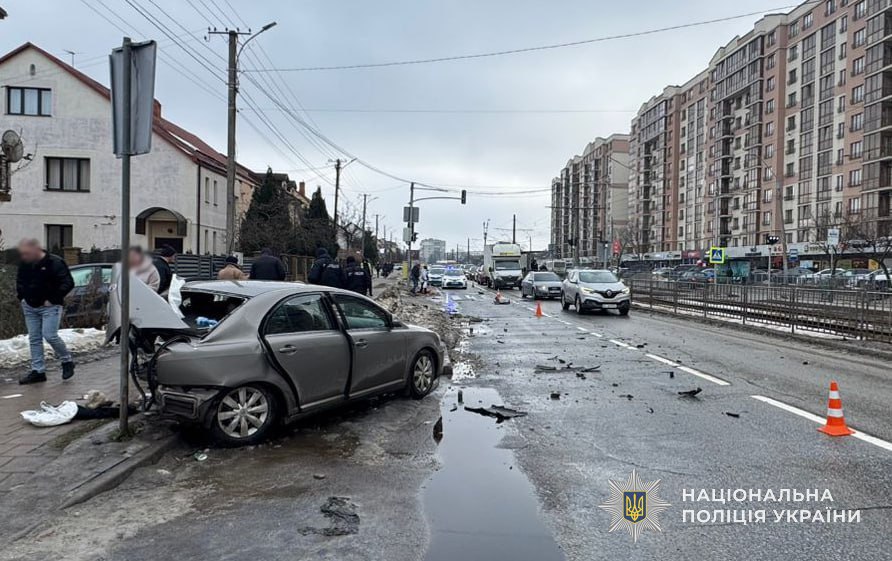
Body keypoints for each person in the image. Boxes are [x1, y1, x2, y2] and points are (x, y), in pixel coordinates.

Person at [15, 238, 76, 384]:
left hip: (50, 306)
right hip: (29, 306)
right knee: (34, 338)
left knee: (49, 335)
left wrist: (53, 298)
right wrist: (22, 297)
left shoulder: (55, 262)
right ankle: (38, 371)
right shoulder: (25, 263)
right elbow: (20, 280)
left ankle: (67, 361)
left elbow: (68, 282)